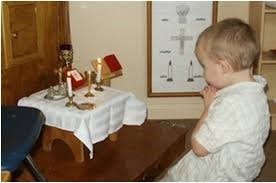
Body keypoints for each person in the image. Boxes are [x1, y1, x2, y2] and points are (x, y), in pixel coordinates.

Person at [160, 18, 271, 181]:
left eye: (204, 66)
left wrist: (208, 109)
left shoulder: (229, 105)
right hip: (245, 166)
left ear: (224, 67)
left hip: (219, 173)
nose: (203, 71)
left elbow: (198, 147)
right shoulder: (256, 91)